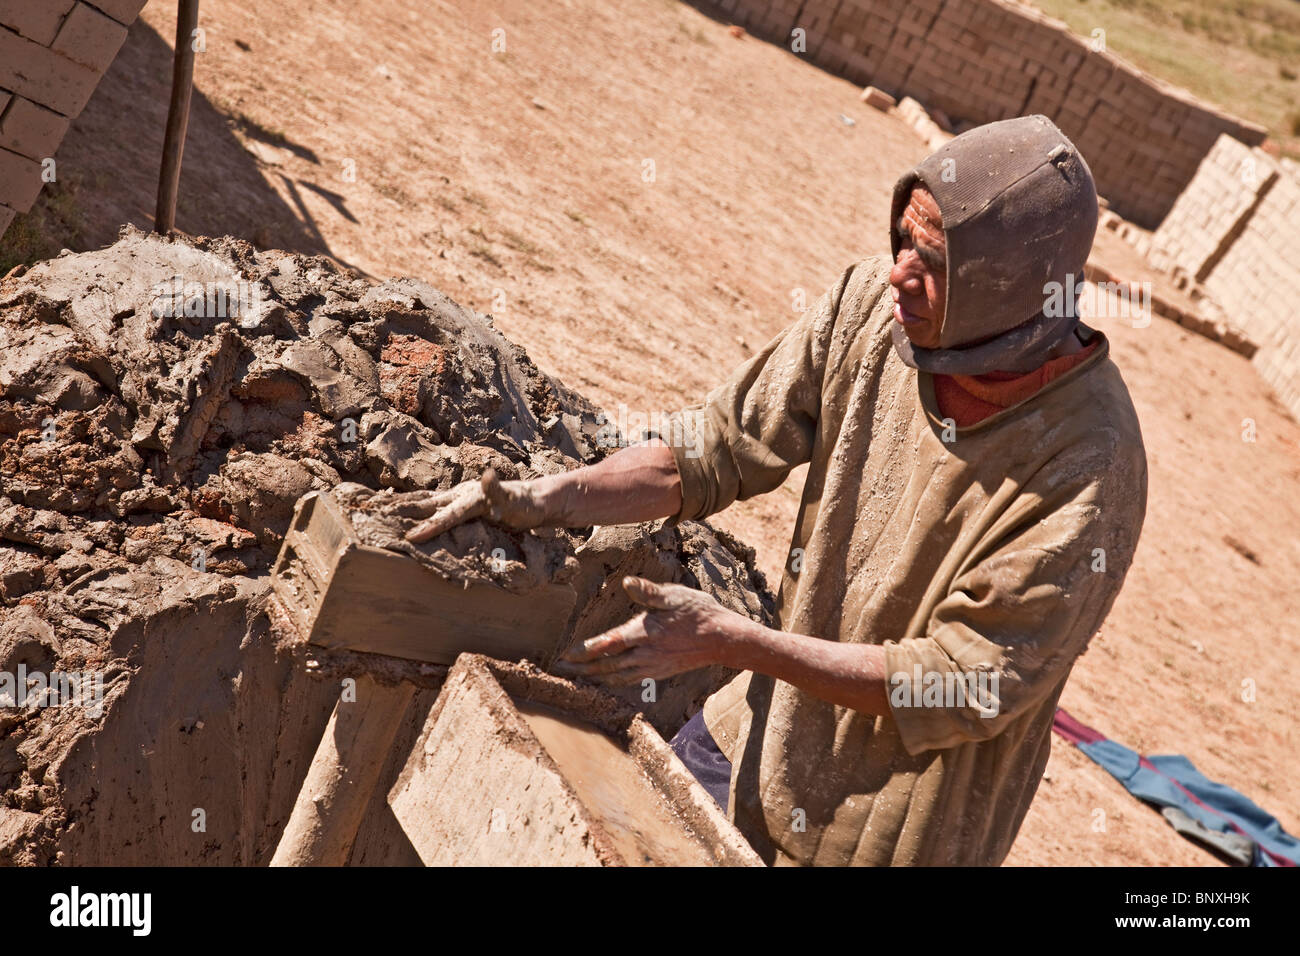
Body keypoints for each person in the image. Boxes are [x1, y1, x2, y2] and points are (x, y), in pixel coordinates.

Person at [407, 115, 1148, 866]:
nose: (897, 272)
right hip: (758, 737)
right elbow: (718, 447)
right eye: (900, 239)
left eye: (932, 261)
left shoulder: (1089, 465)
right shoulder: (871, 309)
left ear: (1008, 289)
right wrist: (548, 498)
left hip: (886, 828)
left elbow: (962, 686)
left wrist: (739, 641)